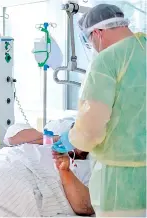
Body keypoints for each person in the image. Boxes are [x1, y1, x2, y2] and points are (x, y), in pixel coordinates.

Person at [52, 4, 146, 217]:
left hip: (121, 180)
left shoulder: (108, 61)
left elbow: (91, 126)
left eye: (89, 41)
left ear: (97, 33)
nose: (92, 46)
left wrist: (71, 139)